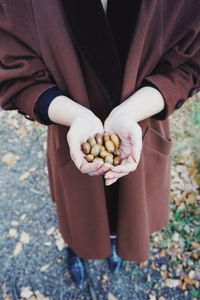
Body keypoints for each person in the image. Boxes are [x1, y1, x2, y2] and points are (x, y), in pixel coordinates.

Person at [0, 0, 199, 286]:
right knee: (79, 209)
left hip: (142, 129)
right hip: (71, 130)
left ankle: (116, 243)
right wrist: (76, 116)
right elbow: (15, 77)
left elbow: (190, 64)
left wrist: (131, 111)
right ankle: (78, 247)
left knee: (129, 206)